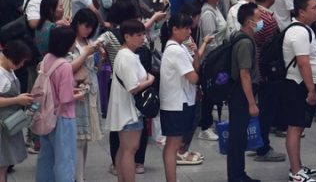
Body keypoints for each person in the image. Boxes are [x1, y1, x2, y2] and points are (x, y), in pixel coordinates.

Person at [159, 13, 210, 180]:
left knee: (174, 144)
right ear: (174, 29)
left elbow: (195, 65)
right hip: (176, 104)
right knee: (173, 145)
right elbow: (194, 77)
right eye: (186, 28)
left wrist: (195, 52)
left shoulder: (180, 47)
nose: (189, 32)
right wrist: (198, 73)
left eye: (190, 28)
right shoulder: (175, 50)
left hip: (180, 102)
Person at [283, 0, 316, 182]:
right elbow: (303, 63)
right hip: (298, 86)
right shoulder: (298, 32)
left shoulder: (305, 29)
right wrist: (311, 90)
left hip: (302, 85)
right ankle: (295, 171)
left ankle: (298, 166)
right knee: (295, 127)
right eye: (314, 8)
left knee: (299, 127)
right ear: (301, 12)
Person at [35, 26, 84, 182]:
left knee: (46, 158)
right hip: (63, 117)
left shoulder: (47, 58)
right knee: (65, 159)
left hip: (46, 114)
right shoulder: (64, 66)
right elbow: (66, 98)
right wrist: (79, 94)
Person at [108, 20, 155, 182]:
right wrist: (149, 80)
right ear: (127, 37)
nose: (142, 38)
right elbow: (133, 87)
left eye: (143, 34)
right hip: (129, 111)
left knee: (124, 148)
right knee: (130, 149)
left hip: (125, 109)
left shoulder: (124, 55)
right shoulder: (127, 57)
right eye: (138, 35)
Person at [222, 3, 260, 182]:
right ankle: (236, 175)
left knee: (239, 135)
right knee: (238, 137)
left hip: (239, 92)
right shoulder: (244, 42)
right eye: (258, 18)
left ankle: (238, 173)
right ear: (249, 21)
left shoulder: (239, 37)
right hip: (241, 94)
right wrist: (252, 103)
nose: (261, 21)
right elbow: (244, 74)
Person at [251, 0, 287, 163]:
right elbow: (270, 45)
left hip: (252, 68)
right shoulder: (268, 20)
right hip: (264, 71)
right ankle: (262, 146)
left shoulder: (251, 13)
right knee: (266, 109)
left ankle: (254, 142)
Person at [67, 9, 101, 182]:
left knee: (85, 138)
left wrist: (100, 57)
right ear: (78, 23)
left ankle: (80, 175)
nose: (88, 30)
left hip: (90, 90)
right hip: (76, 91)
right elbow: (67, 68)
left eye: (91, 27)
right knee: (78, 138)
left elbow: (95, 69)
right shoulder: (69, 41)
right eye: (86, 26)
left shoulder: (89, 41)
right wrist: (87, 53)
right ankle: (76, 177)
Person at [195, 0, 226, 142]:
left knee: (213, 92)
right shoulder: (207, 14)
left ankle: (208, 123)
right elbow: (209, 42)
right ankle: (204, 126)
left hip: (217, 58)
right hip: (211, 60)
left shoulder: (216, 8)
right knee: (209, 93)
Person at [0, 40, 34, 181]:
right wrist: (17, 100)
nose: (21, 65)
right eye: (20, 61)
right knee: (2, 165)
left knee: (4, 164)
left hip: (10, 123)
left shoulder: (9, 70)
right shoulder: (1, 74)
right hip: (3, 124)